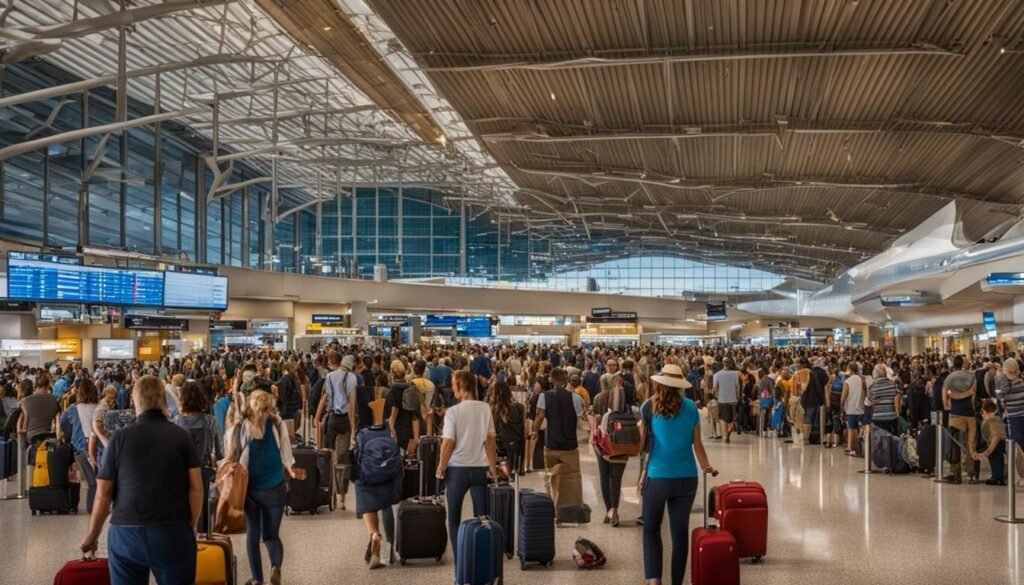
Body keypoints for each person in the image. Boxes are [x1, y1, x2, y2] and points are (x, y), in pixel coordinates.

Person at [80, 375, 203, 585]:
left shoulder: (119, 438)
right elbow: (196, 488)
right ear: (164, 401)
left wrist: (91, 537)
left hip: (126, 533)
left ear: (134, 401)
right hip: (172, 530)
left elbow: (103, 494)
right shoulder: (182, 436)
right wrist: (189, 526)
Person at [640, 364, 715, 585]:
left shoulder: (649, 407)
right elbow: (698, 445)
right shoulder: (692, 407)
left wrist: (642, 475)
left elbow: (644, 446)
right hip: (686, 479)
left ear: (659, 383)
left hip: (657, 477)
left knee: (651, 529)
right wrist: (706, 466)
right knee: (680, 535)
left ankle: (654, 581)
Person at [226, 389, 297, 585]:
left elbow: (233, 455)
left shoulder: (241, 427)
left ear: (251, 404)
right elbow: (286, 454)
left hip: (251, 490)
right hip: (275, 489)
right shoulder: (277, 423)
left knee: (253, 535)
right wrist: (290, 471)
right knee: (271, 535)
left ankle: (257, 579)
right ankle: (275, 566)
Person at [436, 370, 497, 560]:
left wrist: (441, 466)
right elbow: (490, 441)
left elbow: (448, 442)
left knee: (453, 519)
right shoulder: (485, 408)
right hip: (480, 469)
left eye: (454, 385)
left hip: (457, 471)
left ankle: (460, 563)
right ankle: (482, 561)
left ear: (462, 387)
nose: (452, 388)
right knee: (482, 518)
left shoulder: (453, 411)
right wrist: (493, 469)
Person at [530, 367, 587, 523]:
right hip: (570, 446)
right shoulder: (576, 398)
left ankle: (553, 512)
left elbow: (539, 417)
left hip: (551, 445)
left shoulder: (544, 396)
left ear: (551, 380)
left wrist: (535, 431)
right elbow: (581, 420)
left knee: (551, 479)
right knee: (572, 479)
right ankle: (570, 512)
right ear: (566, 380)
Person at [313, 351, 359, 510]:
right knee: (342, 460)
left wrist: (317, 418)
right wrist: (353, 429)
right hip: (345, 420)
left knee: (327, 456)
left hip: (331, 419)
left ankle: (328, 491)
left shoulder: (330, 377)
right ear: (351, 365)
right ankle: (342, 498)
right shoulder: (352, 378)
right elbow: (352, 406)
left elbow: (324, 398)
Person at [592, 373, 630, 527]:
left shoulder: (599, 398)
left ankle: (609, 509)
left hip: (603, 443)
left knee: (604, 475)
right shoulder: (628, 399)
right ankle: (614, 509)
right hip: (622, 443)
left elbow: (595, 420)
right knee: (616, 478)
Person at [944, 355, 978, 484]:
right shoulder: (971, 376)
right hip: (969, 413)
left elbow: (945, 397)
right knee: (971, 443)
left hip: (955, 415)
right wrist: (967, 396)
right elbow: (974, 394)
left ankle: (956, 473)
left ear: (953, 364)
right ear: (963, 363)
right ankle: (972, 473)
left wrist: (950, 402)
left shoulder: (949, 378)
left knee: (954, 445)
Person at [18, 373, 60, 467]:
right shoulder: (54, 399)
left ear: (35, 385)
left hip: (32, 438)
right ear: (48, 385)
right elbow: (56, 418)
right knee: (50, 454)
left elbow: (20, 418)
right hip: (49, 438)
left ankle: (32, 469)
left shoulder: (26, 400)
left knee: (35, 458)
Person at [71, 378, 100, 513]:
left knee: (92, 482)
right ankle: (95, 508)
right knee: (98, 480)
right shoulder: (100, 407)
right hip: (99, 448)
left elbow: (65, 424)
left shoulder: (73, 409)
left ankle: (92, 509)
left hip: (81, 448)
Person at [487, 380, 525, 472]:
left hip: (499, 448)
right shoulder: (520, 407)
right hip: (517, 447)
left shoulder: (491, 409)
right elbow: (523, 430)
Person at [996, 358, 1024, 478]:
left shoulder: (1003, 387)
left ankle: (1018, 473)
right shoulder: (1022, 383)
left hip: (1013, 418)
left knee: (1016, 446)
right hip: (1022, 415)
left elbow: (1002, 404)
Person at [973, 399, 1007, 486]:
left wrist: (989, 450)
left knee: (997, 459)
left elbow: (997, 436)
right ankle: (995, 476)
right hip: (994, 443)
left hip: (998, 443)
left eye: (983, 412)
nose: (982, 414)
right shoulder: (993, 420)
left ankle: (999, 478)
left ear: (986, 411)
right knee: (993, 459)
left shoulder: (993, 420)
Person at [866, 364, 901, 435]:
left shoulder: (872, 387)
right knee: (892, 439)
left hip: (878, 417)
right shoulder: (893, 384)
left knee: (879, 440)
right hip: (892, 417)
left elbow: (868, 403)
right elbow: (898, 397)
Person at [713, 357, 741, 443]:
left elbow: (714, 388)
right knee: (731, 418)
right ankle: (729, 430)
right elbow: (737, 387)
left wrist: (716, 395)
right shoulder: (735, 374)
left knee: (723, 418)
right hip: (733, 400)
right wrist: (737, 397)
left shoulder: (717, 375)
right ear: (730, 364)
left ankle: (725, 436)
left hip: (722, 399)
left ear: (723, 363)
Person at [841, 363, 866, 456]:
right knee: (861, 428)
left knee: (851, 428)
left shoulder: (847, 381)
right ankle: (861, 447)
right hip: (861, 408)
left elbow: (843, 397)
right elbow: (866, 393)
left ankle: (849, 447)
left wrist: (842, 408)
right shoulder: (862, 380)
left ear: (850, 370)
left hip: (851, 409)